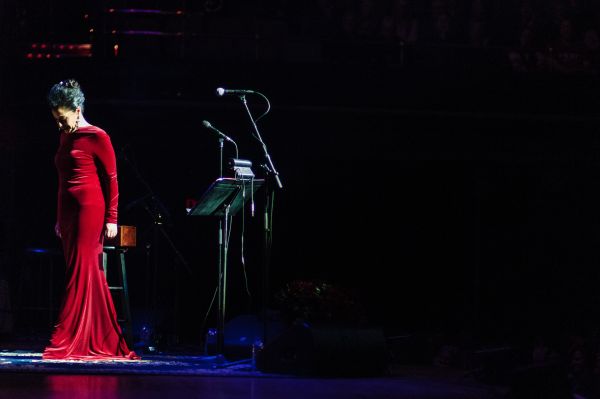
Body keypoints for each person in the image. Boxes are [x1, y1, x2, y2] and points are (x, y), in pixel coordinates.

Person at [42, 79, 138, 360]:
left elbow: (112, 179)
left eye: (62, 119)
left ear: (77, 109)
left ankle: (68, 336)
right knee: (86, 274)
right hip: (69, 214)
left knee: (79, 273)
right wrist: (60, 218)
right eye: (56, 120)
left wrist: (112, 218)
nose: (60, 125)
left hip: (90, 210)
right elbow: (61, 181)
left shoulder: (97, 136)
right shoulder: (65, 136)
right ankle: (96, 335)